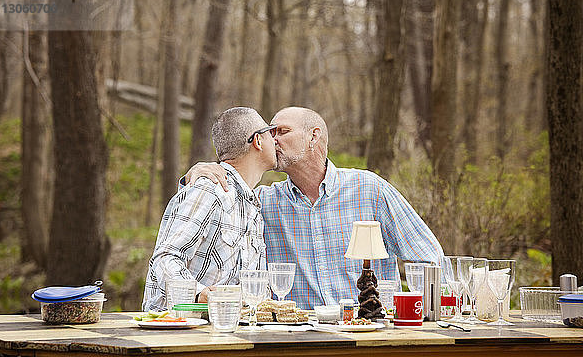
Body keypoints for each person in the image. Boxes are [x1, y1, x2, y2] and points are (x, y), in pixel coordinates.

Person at [184, 107, 444, 309]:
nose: (272, 140)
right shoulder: (262, 202)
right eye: (270, 133)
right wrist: (195, 176)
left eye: (282, 132)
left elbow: (430, 258)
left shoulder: (369, 190)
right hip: (297, 341)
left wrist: (411, 315)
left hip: (366, 337)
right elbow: (203, 213)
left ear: (313, 136)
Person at [142, 107, 277, 311]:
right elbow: (165, 258)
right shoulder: (210, 190)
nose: (275, 140)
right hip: (179, 330)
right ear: (257, 141)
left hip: (223, 330)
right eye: (270, 132)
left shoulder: (251, 204)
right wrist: (197, 293)